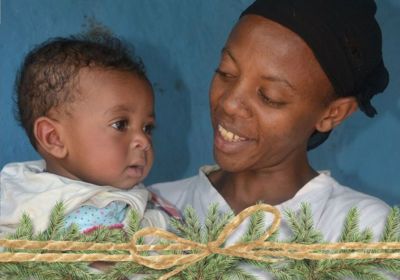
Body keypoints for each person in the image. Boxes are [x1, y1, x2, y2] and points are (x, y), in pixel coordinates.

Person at [150, 0, 390, 257]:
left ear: (333, 113)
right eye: (226, 73)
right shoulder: (151, 207)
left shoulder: (364, 234)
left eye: (269, 96)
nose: (230, 103)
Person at [0, 35, 177, 235]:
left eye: (147, 128)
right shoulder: (63, 220)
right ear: (54, 138)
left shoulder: (136, 199)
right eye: (120, 124)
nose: (144, 141)